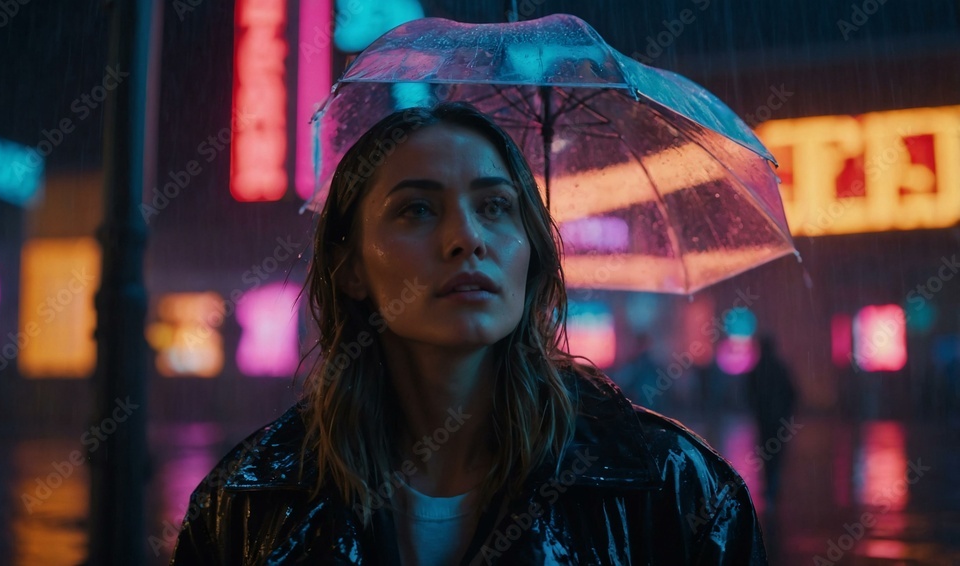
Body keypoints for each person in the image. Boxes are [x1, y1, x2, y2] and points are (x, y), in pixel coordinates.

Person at [171, 103, 768, 565]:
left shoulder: (678, 490)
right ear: (349, 268)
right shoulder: (246, 506)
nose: (466, 239)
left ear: (530, 249)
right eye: (417, 210)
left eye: (496, 206)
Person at [745, 333, 798, 512]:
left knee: (766, 452)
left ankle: (769, 486)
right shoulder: (780, 368)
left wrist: (758, 409)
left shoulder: (758, 369)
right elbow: (792, 393)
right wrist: (786, 413)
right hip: (778, 419)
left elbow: (750, 394)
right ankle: (773, 486)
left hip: (764, 419)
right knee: (776, 452)